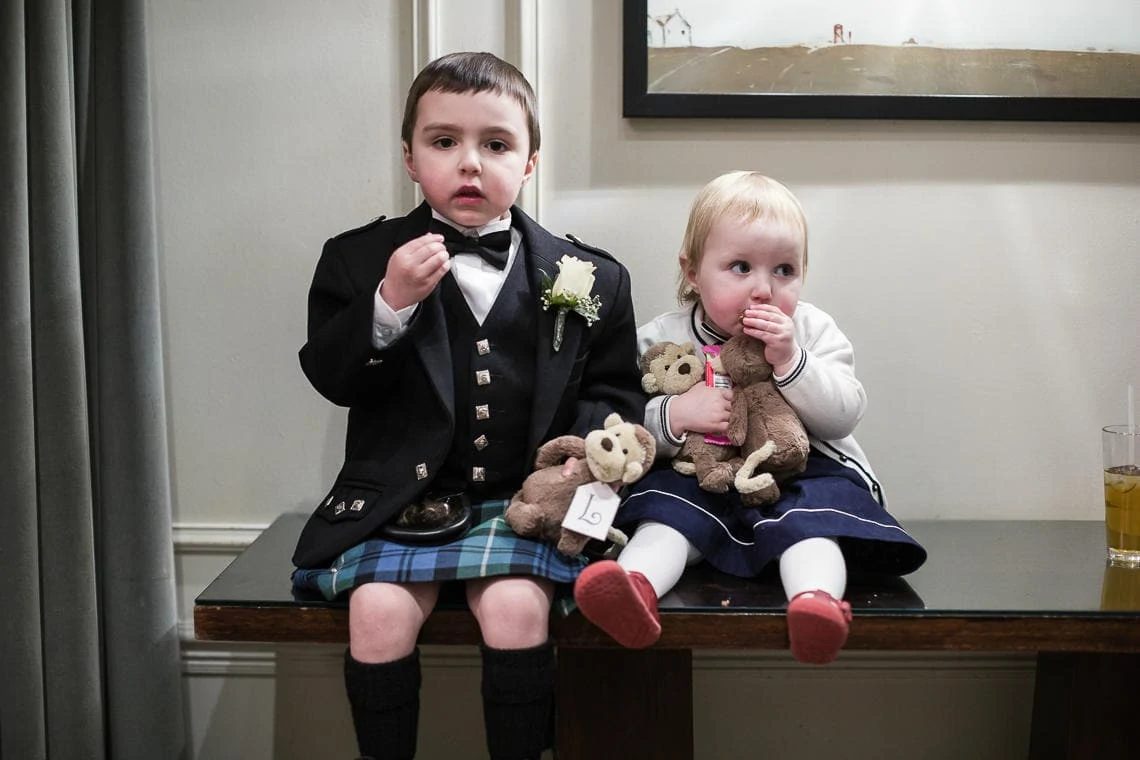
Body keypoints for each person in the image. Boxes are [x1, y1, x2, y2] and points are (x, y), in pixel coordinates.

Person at [289, 52, 645, 760]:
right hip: (398, 505)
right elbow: (333, 376)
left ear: (531, 161)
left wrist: (573, 469)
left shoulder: (593, 275)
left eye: (496, 144)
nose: (470, 164)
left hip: (525, 506)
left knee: (517, 608)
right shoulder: (357, 262)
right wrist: (388, 305)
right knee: (377, 611)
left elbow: (611, 395)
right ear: (411, 158)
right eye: (444, 141)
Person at [572, 171, 927, 664]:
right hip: (701, 474)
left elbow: (843, 415)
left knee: (812, 525)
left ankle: (816, 602)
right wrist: (676, 415)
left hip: (798, 468)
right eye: (740, 267)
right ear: (693, 271)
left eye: (784, 270)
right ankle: (635, 588)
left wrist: (791, 361)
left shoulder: (812, 329)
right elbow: (627, 428)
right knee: (666, 516)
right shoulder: (661, 339)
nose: (763, 289)